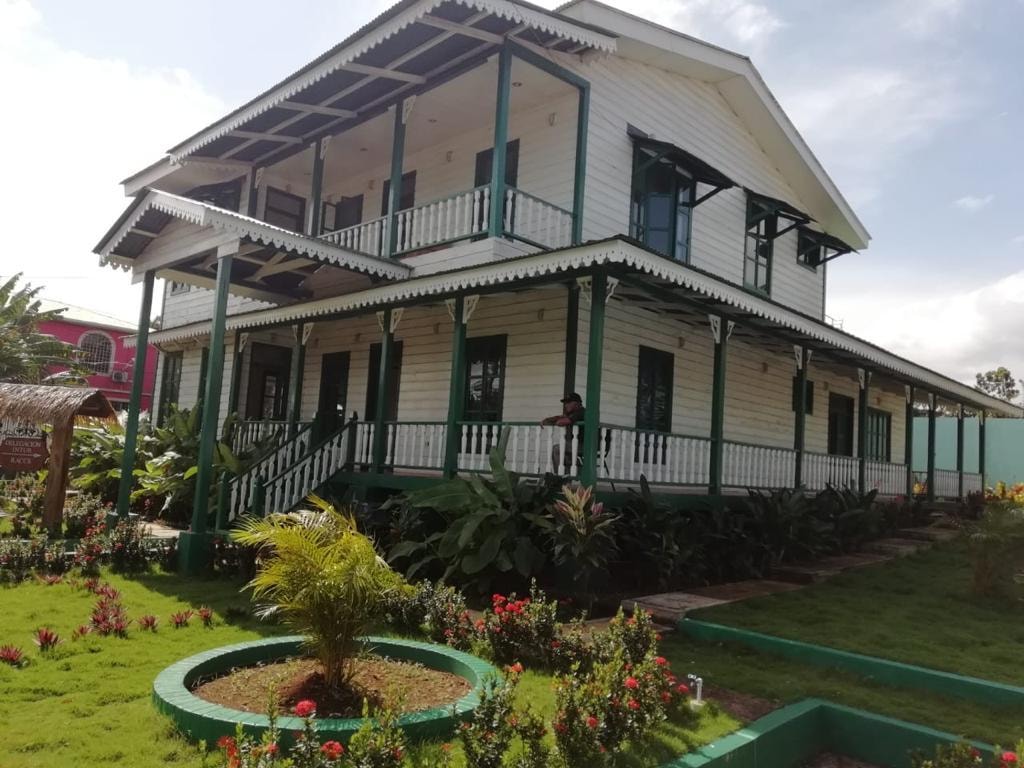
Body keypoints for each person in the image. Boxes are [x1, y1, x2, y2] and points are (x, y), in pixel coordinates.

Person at [541, 393, 585, 474]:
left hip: (585, 446)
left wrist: (557, 421)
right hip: (576, 445)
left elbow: (561, 422)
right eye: (565, 403)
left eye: (568, 402)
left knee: (557, 449)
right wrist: (548, 419)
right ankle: (568, 477)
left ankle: (560, 478)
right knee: (562, 452)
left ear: (577, 403)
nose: (566, 405)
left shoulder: (581, 412)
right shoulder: (574, 412)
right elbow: (561, 417)